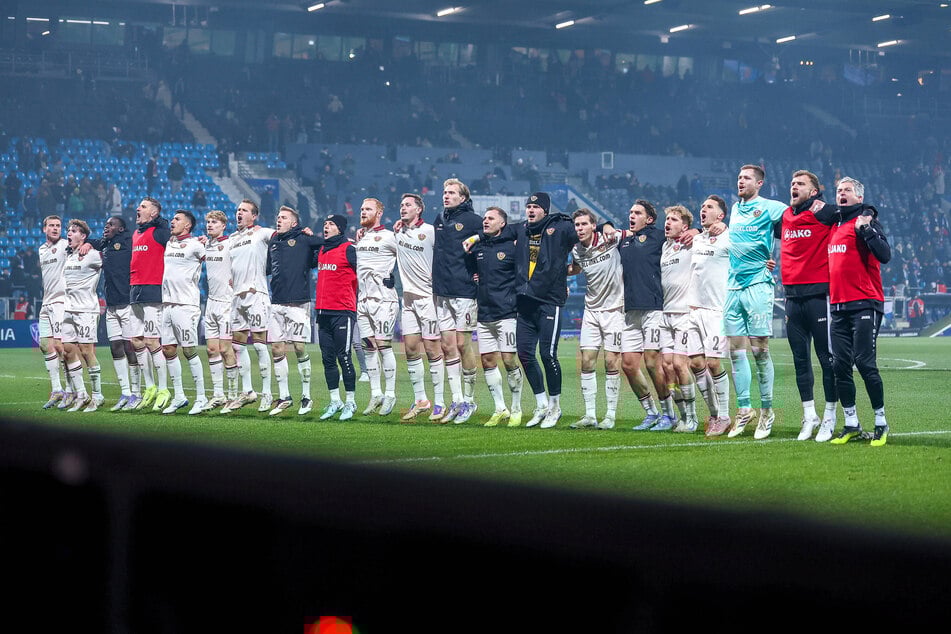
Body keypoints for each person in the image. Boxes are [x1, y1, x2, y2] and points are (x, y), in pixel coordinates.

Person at [723, 165, 787, 439]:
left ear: (759, 183)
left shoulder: (771, 207)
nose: (741, 181)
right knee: (736, 351)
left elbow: (796, 221)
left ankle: (767, 411)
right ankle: (744, 409)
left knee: (760, 350)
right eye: (739, 177)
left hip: (758, 285)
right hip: (733, 287)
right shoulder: (735, 210)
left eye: (746, 178)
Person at [827, 177, 891, 446]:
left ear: (859, 197)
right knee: (840, 366)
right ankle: (851, 422)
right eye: (839, 190)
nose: (842, 194)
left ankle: (881, 422)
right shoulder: (833, 225)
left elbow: (885, 255)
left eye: (847, 190)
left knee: (865, 363)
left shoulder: (866, 222)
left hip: (865, 303)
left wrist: (867, 227)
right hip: (838, 306)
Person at [777, 170, 840, 442]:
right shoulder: (785, 216)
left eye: (800, 183)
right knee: (800, 361)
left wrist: (869, 213)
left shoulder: (823, 211)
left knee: (827, 360)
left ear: (813, 191)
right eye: (792, 183)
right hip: (792, 299)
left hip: (819, 297)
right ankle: (809, 415)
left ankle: (830, 416)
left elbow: (851, 213)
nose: (794, 186)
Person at [566, 208, 626, 430]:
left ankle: (610, 415)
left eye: (584, 224)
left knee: (611, 362)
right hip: (591, 310)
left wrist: (607, 224)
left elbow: (632, 236)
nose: (579, 228)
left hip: (616, 309)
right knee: (587, 361)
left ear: (594, 226)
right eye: (577, 225)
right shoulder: (577, 250)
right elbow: (577, 269)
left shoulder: (610, 238)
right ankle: (590, 414)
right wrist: (555, 273)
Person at [432, 179, 483, 423]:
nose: (446, 195)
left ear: (463, 197)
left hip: (464, 291)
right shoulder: (440, 219)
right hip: (442, 291)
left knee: (463, 345)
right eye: (444, 192)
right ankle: (457, 400)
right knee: (446, 346)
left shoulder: (473, 220)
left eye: (451, 192)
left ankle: (471, 401)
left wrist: (479, 273)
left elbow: (490, 240)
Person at [220, 200, 275, 414]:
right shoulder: (233, 239)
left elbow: (283, 236)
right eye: (238, 210)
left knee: (260, 345)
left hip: (256, 294)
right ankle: (248, 391)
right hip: (237, 297)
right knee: (238, 346)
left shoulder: (261, 233)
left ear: (254, 216)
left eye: (244, 210)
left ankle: (267, 393)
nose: (239, 213)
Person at [470, 206, 523, 427]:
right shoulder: (478, 247)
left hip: (506, 313)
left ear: (503, 223)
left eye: (491, 218)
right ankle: (499, 408)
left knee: (509, 360)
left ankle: (517, 408)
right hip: (484, 314)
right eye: (484, 218)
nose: (485, 221)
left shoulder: (512, 248)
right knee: (487, 361)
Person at [393, 193, 444, 422]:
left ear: (419, 210)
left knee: (433, 349)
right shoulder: (398, 231)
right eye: (401, 205)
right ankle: (421, 400)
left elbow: (443, 257)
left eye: (407, 205)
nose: (403, 208)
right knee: (411, 349)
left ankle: (440, 403)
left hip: (428, 298)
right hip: (408, 300)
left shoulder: (431, 232)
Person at [265, 205, 321, 416]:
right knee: (277, 350)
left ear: (294, 223)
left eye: (284, 218)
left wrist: (311, 234)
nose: (279, 220)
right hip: (277, 302)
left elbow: (325, 243)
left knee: (298, 347)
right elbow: (268, 269)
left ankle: (306, 396)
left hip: (298, 302)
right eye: (278, 217)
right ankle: (285, 396)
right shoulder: (274, 242)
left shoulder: (304, 239)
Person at [618, 200, 669, 430]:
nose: (632, 215)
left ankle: (669, 415)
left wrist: (696, 230)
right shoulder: (625, 242)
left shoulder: (659, 237)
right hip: (631, 311)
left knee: (651, 363)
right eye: (630, 212)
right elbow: (602, 230)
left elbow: (688, 235)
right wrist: (606, 226)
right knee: (628, 364)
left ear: (649, 219)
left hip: (654, 309)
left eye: (637, 212)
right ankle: (651, 413)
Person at [687, 196, 733, 437]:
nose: (703, 209)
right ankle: (714, 414)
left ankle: (725, 416)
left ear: (721, 215)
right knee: (695, 363)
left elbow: (749, 254)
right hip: (693, 310)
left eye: (709, 207)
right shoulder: (696, 239)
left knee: (714, 363)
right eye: (702, 206)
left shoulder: (730, 237)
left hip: (717, 310)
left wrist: (765, 263)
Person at [657, 205, 703, 433]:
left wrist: (697, 232)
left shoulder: (692, 243)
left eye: (673, 219)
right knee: (666, 367)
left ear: (684, 226)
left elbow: (711, 237)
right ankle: (682, 416)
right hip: (665, 314)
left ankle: (693, 418)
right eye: (667, 219)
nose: (668, 222)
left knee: (679, 364)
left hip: (684, 313)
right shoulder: (665, 246)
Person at [159, 210, 208, 415]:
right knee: (168, 350)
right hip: (167, 304)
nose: (172, 221)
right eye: (172, 219)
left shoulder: (196, 245)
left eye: (177, 219)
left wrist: (208, 242)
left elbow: (213, 259)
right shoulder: (170, 242)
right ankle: (179, 396)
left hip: (186, 305)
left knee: (189, 350)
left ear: (187, 225)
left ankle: (202, 397)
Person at [354, 198, 399, 417]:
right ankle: (376, 393)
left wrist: (395, 279)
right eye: (362, 209)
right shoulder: (362, 238)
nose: (363, 212)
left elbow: (410, 257)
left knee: (383, 345)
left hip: (383, 300)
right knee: (368, 346)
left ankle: (390, 393)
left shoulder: (390, 236)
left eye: (368, 209)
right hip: (363, 300)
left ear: (379, 212)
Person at [88, 216, 139, 411]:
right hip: (111, 305)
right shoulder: (106, 244)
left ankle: (137, 392)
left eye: (110, 224)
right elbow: (95, 242)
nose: (106, 227)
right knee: (115, 347)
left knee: (129, 346)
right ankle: (125, 392)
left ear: (121, 228)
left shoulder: (129, 240)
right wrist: (85, 243)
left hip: (127, 303)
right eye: (105, 224)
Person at [314, 214, 358, 421]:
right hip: (322, 312)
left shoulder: (349, 249)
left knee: (344, 357)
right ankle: (335, 400)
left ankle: (351, 401)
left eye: (331, 224)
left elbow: (364, 272)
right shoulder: (322, 250)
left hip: (343, 311)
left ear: (340, 229)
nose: (327, 227)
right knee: (327, 359)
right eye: (325, 224)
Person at [130, 197, 171, 411]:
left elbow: (175, 242)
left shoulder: (160, 231)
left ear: (154, 213)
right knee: (136, 342)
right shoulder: (136, 234)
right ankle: (150, 387)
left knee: (153, 341)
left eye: (143, 207)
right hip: (135, 291)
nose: (138, 209)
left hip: (154, 291)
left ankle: (164, 389)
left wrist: (160, 221)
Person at [61, 220, 104, 412]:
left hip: (86, 309)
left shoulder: (93, 255)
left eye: (74, 231)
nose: (69, 233)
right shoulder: (68, 256)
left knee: (87, 352)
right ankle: (82, 394)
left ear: (83, 236)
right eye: (68, 231)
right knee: (68, 350)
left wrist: (92, 244)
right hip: (68, 309)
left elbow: (110, 254)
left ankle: (97, 395)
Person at [202, 210, 240, 411]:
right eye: (208, 222)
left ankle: (233, 395)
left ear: (223, 225)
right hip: (211, 304)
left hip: (227, 304)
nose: (210, 225)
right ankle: (218, 394)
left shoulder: (231, 244)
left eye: (214, 222)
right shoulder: (206, 244)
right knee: (211, 350)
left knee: (226, 349)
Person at [38, 215, 69, 409]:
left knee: (61, 347)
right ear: (44, 229)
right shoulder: (41, 250)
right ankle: (57, 389)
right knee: (44, 345)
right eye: (51, 226)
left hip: (61, 302)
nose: (55, 228)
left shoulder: (66, 245)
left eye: (58, 226)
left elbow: (82, 244)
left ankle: (71, 390)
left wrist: (87, 245)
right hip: (46, 302)